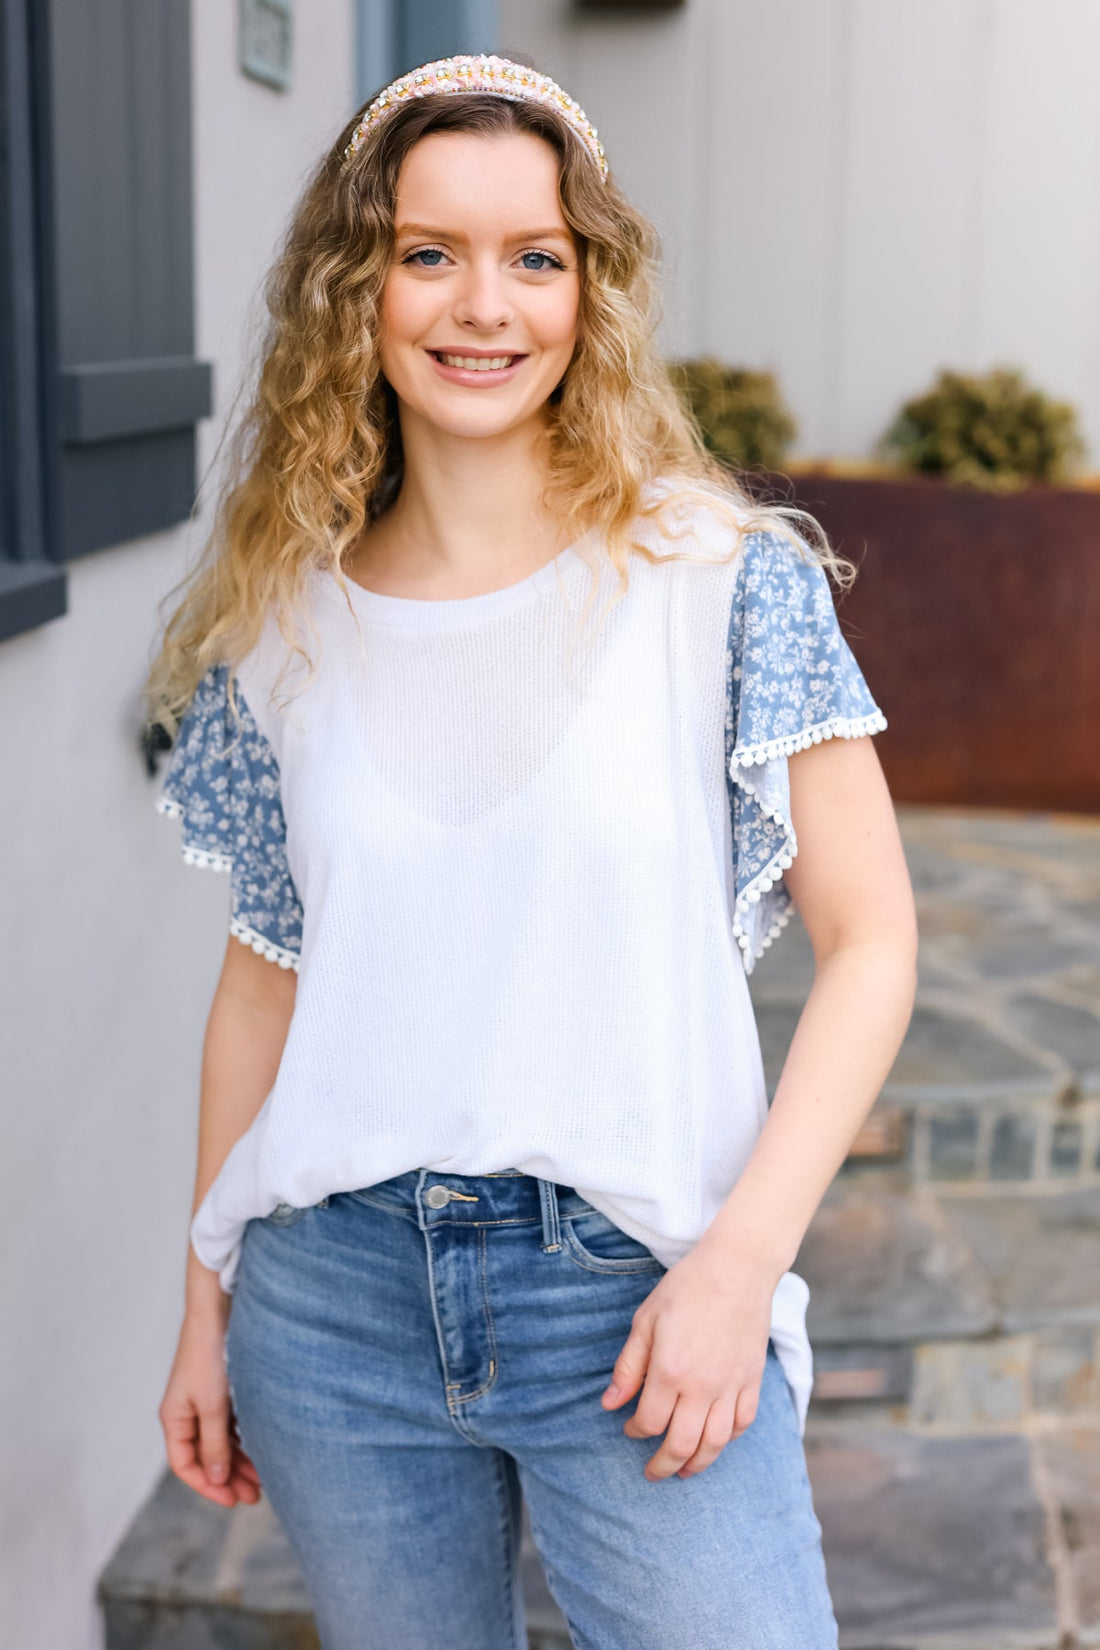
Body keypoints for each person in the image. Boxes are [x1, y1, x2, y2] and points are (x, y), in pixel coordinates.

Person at [145, 53, 918, 1650]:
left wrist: (739, 1266)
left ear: (590, 289)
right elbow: (263, 987)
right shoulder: (286, 630)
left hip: (637, 1285)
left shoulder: (719, 580)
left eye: (534, 257)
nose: (480, 305)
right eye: (428, 252)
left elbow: (875, 942)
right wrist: (205, 1306)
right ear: (358, 290)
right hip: (333, 1304)